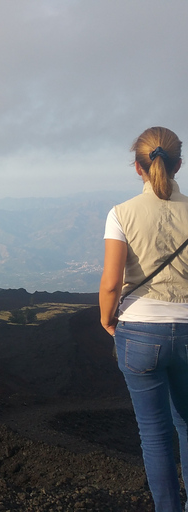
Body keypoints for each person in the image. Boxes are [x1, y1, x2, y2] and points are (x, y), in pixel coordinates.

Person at [100, 126, 188, 511]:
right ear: (179, 165)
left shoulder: (121, 214)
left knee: (154, 436)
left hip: (138, 334)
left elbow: (110, 283)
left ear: (137, 168)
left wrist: (108, 320)